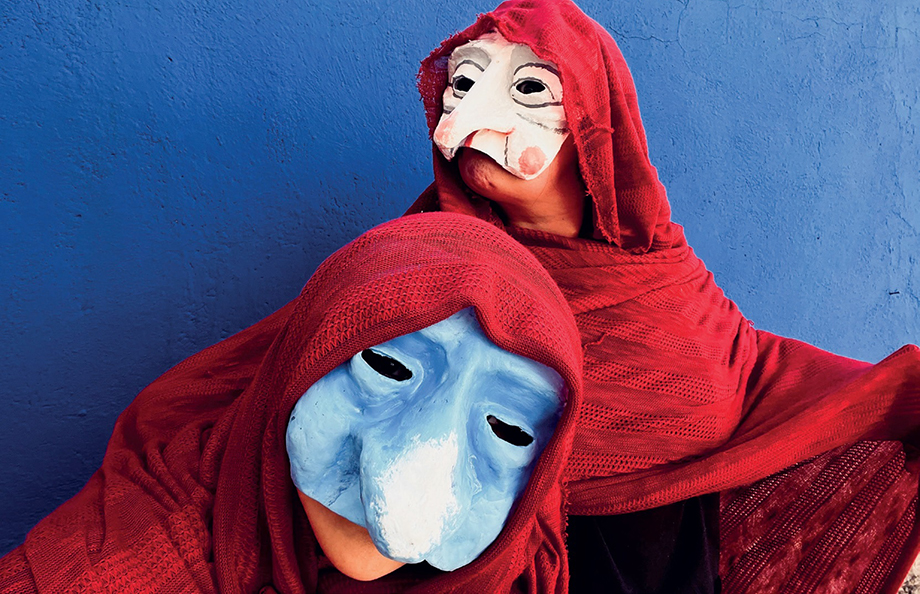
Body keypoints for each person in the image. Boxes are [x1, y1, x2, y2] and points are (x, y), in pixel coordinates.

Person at [408, 0, 920, 592]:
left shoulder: (663, 274)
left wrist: (894, 399)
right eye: (462, 83)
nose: (470, 114)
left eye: (528, 89)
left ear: (592, 127)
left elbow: (755, 376)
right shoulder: (426, 266)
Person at [0, 212, 585, 593]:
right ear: (299, 362)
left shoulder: (525, 574)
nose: (398, 521)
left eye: (509, 431)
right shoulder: (124, 557)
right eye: (387, 367)